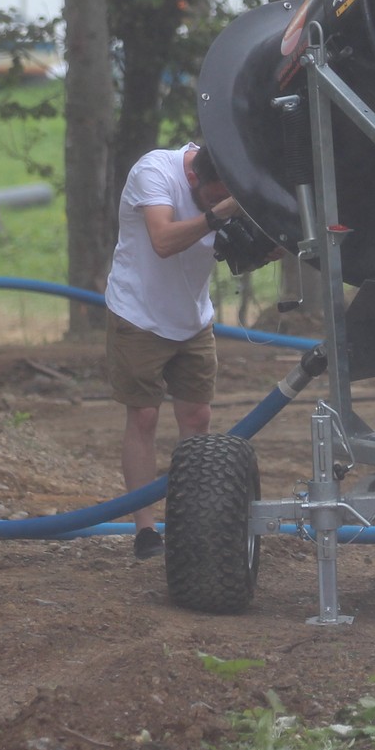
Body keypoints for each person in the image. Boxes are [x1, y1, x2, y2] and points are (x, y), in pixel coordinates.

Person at [104, 141, 241, 560]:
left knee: (198, 417)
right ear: (194, 179)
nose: (218, 202)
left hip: (193, 315)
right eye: (213, 196)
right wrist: (220, 213)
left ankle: (192, 522)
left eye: (224, 197)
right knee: (144, 416)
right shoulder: (155, 172)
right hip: (139, 312)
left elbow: (230, 242)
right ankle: (145, 530)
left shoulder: (226, 168)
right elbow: (162, 240)